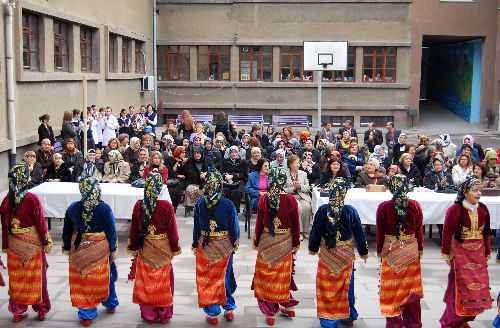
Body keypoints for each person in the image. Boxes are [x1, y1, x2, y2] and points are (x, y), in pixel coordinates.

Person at [309, 177, 368, 328]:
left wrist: (313, 248)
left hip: (327, 254)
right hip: (345, 255)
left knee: (326, 285)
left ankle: (328, 319)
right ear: (345, 192)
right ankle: (348, 316)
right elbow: (359, 234)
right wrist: (363, 251)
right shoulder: (350, 211)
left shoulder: (322, 210)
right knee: (346, 285)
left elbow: (315, 232)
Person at [62, 177, 118, 327]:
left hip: (78, 250)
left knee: (82, 281)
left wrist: (67, 248)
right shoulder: (104, 208)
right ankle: (110, 303)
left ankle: (86, 313)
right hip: (99, 249)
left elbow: (67, 231)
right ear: (97, 190)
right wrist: (113, 249)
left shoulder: (73, 207)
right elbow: (111, 231)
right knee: (104, 277)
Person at [0, 164, 53, 322]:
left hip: (14, 245)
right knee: (37, 277)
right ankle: (41, 309)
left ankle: (18, 310)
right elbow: (41, 223)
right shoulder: (31, 199)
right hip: (32, 245)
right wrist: (46, 242)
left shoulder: (6, 200)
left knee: (17, 278)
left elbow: (4, 226)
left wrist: (5, 245)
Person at [127, 172, 181, 324]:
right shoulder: (166, 206)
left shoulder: (139, 205)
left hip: (145, 246)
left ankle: (149, 314)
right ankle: (164, 313)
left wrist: (133, 246)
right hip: (163, 247)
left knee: (146, 280)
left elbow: (134, 230)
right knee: (163, 279)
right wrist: (175, 247)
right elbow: (172, 230)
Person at [440, 178, 492, 327]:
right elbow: (447, 233)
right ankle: (450, 322)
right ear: (465, 192)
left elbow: (486, 234)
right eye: (475, 190)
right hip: (460, 256)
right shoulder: (454, 209)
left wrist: (487, 253)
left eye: (480, 190)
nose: (479, 193)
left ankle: (462, 320)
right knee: (459, 291)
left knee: (477, 292)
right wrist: (446, 253)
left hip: (478, 257)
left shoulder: (483, 209)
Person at [252, 167, 300, 326]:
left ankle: (270, 310)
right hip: (285, 241)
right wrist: (296, 243)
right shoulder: (291, 199)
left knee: (267, 274)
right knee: (281, 276)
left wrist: (256, 240)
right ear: (283, 181)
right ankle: (281, 302)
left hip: (267, 241)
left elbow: (259, 222)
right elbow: (295, 224)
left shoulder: (264, 198)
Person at [192, 170, 240, 325]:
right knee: (224, 277)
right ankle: (229, 308)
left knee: (208, 279)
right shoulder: (228, 204)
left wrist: (194, 244)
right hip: (224, 245)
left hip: (205, 244)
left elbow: (197, 227)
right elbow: (234, 227)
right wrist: (235, 242)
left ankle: (212, 312)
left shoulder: (200, 203)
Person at [376, 174, 424, 327]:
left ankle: (394, 323)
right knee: (411, 290)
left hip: (391, 253)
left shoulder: (384, 207)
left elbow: (380, 232)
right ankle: (414, 323)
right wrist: (420, 250)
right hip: (410, 251)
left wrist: (379, 251)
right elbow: (419, 231)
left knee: (392, 289)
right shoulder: (415, 205)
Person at [284, 154, 311, 240]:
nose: (298, 165)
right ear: (290, 164)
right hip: (290, 197)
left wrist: (299, 186)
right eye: (296, 163)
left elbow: (307, 188)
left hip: (302, 196)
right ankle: (298, 232)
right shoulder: (284, 174)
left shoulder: (303, 174)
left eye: (299, 163)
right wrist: (293, 188)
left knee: (307, 207)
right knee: (297, 207)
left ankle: (305, 231)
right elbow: (283, 189)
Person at [222, 146, 248, 213]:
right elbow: (221, 171)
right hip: (227, 180)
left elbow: (244, 174)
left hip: (239, 181)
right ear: (229, 153)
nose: (234, 154)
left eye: (235, 152)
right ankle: (226, 210)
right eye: (232, 152)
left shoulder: (242, 162)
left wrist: (233, 176)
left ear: (238, 153)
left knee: (236, 191)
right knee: (225, 191)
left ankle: (235, 210)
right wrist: (226, 176)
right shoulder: (225, 161)